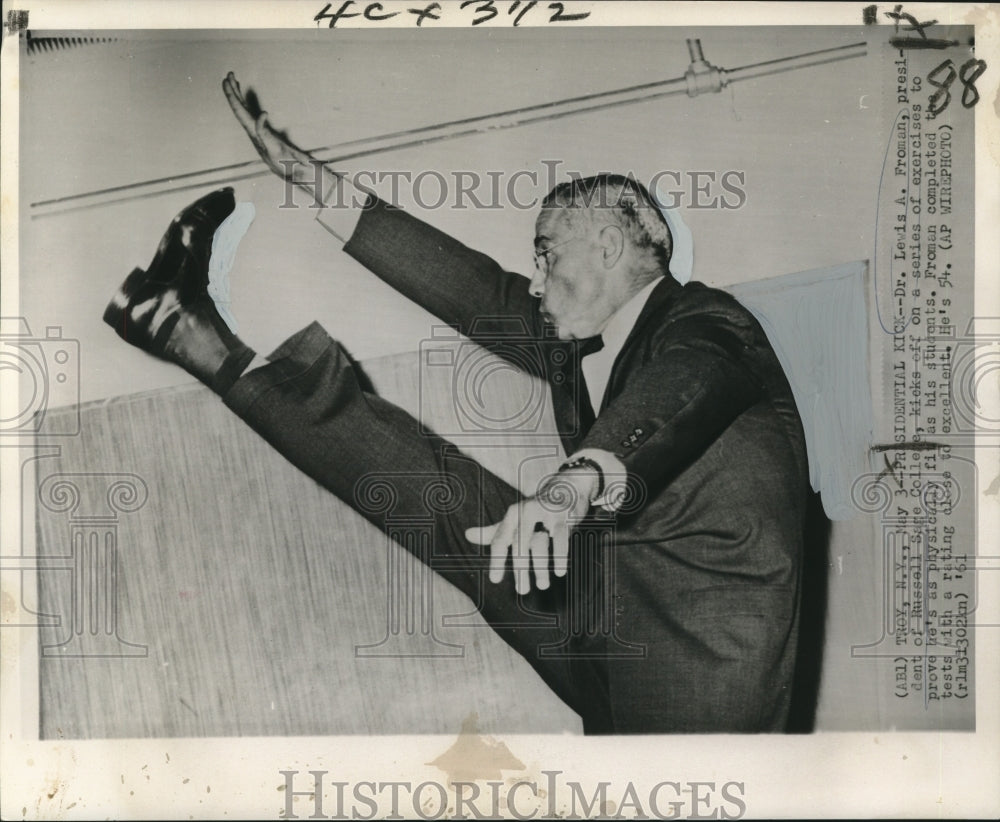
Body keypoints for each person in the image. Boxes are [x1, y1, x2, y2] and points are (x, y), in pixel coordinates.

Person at [102, 72, 810, 734]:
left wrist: (568, 494)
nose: (534, 281)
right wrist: (310, 182)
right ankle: (182, 327)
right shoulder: (585, 342)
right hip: (604, 614)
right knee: (434, 493)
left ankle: (180, 326)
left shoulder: (707, 325)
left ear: (606, 242)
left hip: (699, 661)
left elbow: (684, 388)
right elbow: (477, 292)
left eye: (545, 255)